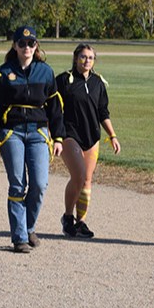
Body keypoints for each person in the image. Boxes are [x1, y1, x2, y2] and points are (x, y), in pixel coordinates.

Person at [0, 26, 65, 253]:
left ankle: (29, 227)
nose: (26, 47)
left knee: (39, 184)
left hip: (38, 133)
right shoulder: (2, 73)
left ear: (36, 46)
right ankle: (19, 238)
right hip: (12, 133)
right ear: (15, 46)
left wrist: (58, 137)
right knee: (18, 184)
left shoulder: (45, 72)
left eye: (31, 43)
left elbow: (55, 108)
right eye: (22, 43)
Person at [56, 44, 120, 239]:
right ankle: (68, 217)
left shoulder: (98, 83)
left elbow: (103, 112)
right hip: (69, 134)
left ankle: (80, 221)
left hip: (92, 136)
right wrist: (54, 134)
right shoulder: (63, 80)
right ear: (75, 58)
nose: (86, 61)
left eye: (90, 58)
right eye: (83, 57)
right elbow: (54, 109)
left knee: (87, 180)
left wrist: (113, 135)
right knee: (80, 175)